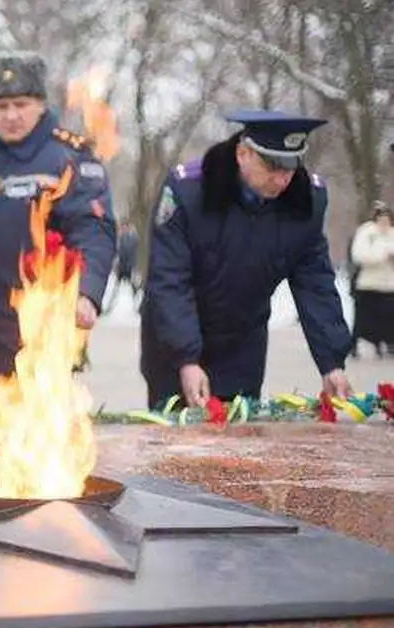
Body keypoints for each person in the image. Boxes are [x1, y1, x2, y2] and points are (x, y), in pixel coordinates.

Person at [0, 51, 117, 410]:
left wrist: (88, 292)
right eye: (1, 105)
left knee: (38, 453)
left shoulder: (69, 160)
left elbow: (94, 231)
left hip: (40, 339)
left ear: (40, 103)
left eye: (21, 103)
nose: (12, 115)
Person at [140, 110, 353, 409]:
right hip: (174, 344)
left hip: (242, 345)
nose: (282, 180)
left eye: (291, 168)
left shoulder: (305, 202)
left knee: (238, 446)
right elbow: (169, 280)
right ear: (243, 154)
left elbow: (315, 283)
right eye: (273, 167)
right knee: (176, 445)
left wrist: (332, 362)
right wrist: (186, 359)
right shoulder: (188, 192)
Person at [348, 201, 394, 358]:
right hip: (368, 283)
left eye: (387, 220)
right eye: (381, 220)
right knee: (362, 318)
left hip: (389, 284)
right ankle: (354, 344)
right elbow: (359, 255)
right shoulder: (367, 233)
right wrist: (382, 255)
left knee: (388, 316)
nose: (384, 224)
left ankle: (387, 343)